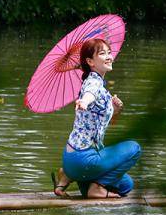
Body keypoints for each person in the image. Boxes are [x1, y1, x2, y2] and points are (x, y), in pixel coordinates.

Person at [52, 38, 141, 198]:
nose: (109, 57)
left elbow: (100, 122)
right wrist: (84, 101)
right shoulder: (93, 83)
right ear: (90, 61)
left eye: (109, 52)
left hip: (72, 160)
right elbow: (90, 94)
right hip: (84, 159)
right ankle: (97, 188)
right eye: (102, 54)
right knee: (134, 148)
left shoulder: (94, 82)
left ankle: (67, 175)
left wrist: (114, 110)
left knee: (126, 185)